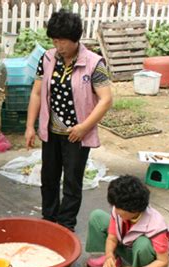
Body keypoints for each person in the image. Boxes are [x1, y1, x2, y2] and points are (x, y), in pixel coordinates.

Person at [25, 9, 113, 231]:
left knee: (72, 184)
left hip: (77, 135)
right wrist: (30, 126)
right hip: (51, 132)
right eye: (54, 40)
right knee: (49, 179)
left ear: (76, 39)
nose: (58, 46)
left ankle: (65, 226)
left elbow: (105, 100)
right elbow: (36, 93)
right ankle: (48, 220)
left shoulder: (94, 63)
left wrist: (84, 127)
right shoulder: (47, 58)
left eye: (62, 41)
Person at [86, 175, 169, 267]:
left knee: (143, 244)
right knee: (97, 216)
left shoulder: (156, 225)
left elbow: (163, 262)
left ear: (133, 210)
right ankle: (115, 260)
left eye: (119, 208)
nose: (115, 211)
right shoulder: (119, 210)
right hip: (126, 245)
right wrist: (109, 255)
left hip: (144, 256)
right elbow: (112, 237)